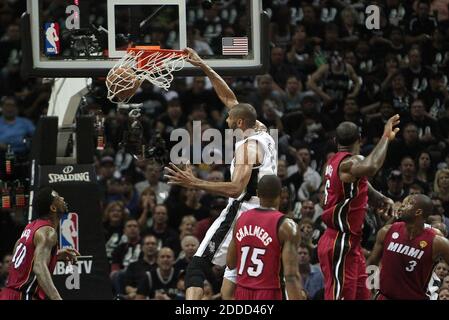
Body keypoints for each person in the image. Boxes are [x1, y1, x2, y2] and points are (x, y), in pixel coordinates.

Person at [164, 48, 277, 300]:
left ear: (239, 123)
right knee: (233, 278)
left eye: (229, 119)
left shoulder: (248, 147)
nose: (225, 120)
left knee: (197, 265)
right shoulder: (261, 130)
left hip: (244, 212)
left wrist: (194, 182)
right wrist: (203, 66)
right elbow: (229, 98)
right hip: (268, 213)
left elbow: (236, 189)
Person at [318, 116, 400, 300]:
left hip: (351, 243)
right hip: (339, 241)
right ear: (360, 140)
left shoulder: (333, 162)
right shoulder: (352, 161)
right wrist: (386, 136)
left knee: (364, 295)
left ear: (335, 141)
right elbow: (371, 167)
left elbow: (359, 179)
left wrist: (379, 196)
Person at [225, 175, 305, 300]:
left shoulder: (241, 219)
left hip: (242, 291)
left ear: (257, 193)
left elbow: (230, 263)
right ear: (281, 193)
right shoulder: (287, 226)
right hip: (269, 292)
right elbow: (291, 276)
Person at [0, 187, 79, 300]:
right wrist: (57, 298)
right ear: (53, 208)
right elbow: (38, 266)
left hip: (8, 293)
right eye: (57, 197)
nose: (62, 198)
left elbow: (21, 255)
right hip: (23, 295)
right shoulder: (48, 231)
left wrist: (54, 255)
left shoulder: (30, 227)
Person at [367, 194, 449, 300]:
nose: (402, 206)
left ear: (418, 212)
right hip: (384, 296)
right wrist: (369, 289)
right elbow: (372, 262)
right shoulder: (386, 231)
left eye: (408, 204)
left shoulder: (437, 242)